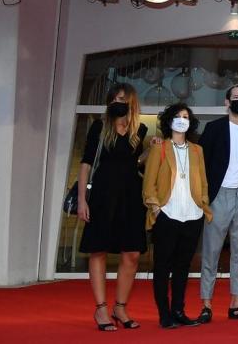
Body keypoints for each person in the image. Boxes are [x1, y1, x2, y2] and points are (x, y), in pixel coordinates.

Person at [79, 83, 148, 331]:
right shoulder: (99, 127)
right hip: (102, 195)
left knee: (132, 253)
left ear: (132, 103)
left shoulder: (139, 129)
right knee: (98, 250)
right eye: (116, 99)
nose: (120, 103)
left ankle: (120, 306)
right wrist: (81, 200)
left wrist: (149, 152)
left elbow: (134, 163)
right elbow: (86, 164)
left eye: (124, 99)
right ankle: (101, 309)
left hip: (130, 197)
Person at [195, 84, 238, 322]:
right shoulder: (213, 129)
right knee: (211, 251)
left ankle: (237, 302)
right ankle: (206, 304)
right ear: (227, 102)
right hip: (219, 194)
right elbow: (201, 163)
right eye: (236, 97)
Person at [145, 103, 211, 329]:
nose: (182, 120)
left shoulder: (196, 150)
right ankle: (164, 314)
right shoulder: (159, 147)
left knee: (183, 267)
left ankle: (178, 310)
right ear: (169, 121)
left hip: (192, 216)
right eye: (177, 116)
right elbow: (149, 185)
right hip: (167, 215)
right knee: (162, 266)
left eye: (186, 116)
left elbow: (203, 181)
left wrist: (202, 205)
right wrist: (156, 209)